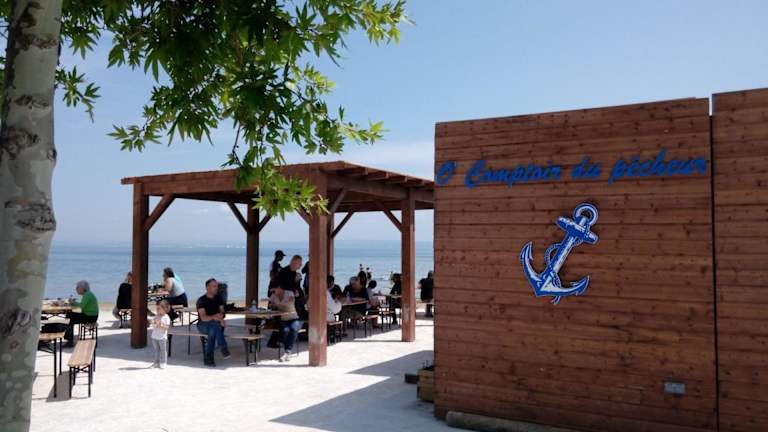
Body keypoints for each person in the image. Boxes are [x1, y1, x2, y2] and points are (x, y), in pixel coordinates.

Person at [196, 278, 230, 366]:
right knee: (214, 326)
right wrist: (215, 317)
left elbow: (222, 312)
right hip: (203, 325)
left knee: (213, 330)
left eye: (217, 286)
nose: (216, 288)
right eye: (214, 286)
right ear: (207, 287)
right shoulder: (201, 300)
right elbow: (203, 318)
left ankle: (209, 359)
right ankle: (223, 348)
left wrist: (221, 318)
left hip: (215, 324)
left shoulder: (219, 299)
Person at [269, 282, 302, 362]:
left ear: (279, 288)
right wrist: (273, 305)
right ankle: (288, 352)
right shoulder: (273, 296)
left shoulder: (289, 293)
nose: (273, 293)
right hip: (284, 319)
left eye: (274, 291)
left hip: (293, 317)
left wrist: (278, 305)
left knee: (294, 329)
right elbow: (270, 305)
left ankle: (287, 352)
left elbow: (291, 301)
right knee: (285, 331)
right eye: (272, 292)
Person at [64, 280, 99, 346]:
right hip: (90, 315)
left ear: (82, 288)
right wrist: (73, 303)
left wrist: (73, 303)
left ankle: (69, 340)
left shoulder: (87, 295)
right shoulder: (88, 294)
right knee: (70, 315)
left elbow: (81, 306)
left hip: (90, 317)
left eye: (77, 288)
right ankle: (68, 338)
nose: (76, 289)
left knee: (70, 318)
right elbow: (82, 305)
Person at [150, 299, 171, 369]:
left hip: (162, 337)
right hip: (154, 336)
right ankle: (156, 362)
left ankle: (163, 362)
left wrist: (161, 325)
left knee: (163, 350)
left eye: (159, 309)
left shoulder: (166, 317)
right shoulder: (156, 316)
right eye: (156, 308)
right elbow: (153, 324)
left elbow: (166, 327)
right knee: (156, 350)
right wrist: (153, 323)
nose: (157, 310)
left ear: (165, 309)